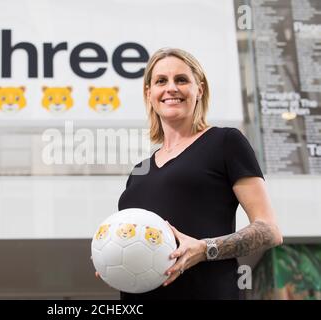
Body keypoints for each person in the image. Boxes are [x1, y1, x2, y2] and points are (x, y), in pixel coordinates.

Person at [112, 48, 283, 299]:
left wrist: (205, 249)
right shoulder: (138, 172)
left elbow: (270, 231)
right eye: (161, 81)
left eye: (181, 80)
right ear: (149, 94)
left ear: (199, 90)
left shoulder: (225, 142)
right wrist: (114, 257)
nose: (171, 88)